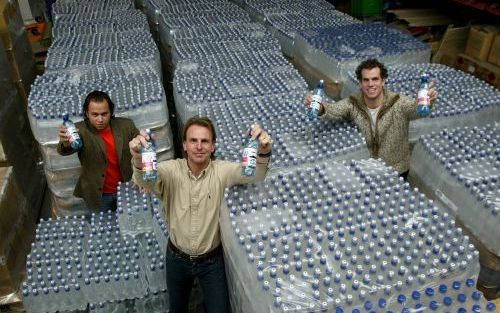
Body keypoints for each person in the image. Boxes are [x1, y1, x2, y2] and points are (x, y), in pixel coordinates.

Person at [129, 116, 273, 313]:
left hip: (211, 262)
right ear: (185, 145)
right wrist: (138, 157)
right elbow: (145, 179)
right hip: (177, 258)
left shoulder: (222, 171)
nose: (199, 146)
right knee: (177, 309)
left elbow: (255, 173)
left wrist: (264, 151)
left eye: (205, 141)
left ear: (213, 146)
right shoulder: (171, 171)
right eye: (193, 141)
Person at [306, 58, 437, 180]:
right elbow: (334, 110)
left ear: (383, 81)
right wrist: (320, 107)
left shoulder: (398, 102)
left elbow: (416, 110)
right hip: (369, 170)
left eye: (375, 79)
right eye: (366, 80)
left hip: (396, 170)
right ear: (360, 83)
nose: (371, 84)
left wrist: (428, 103)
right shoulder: (354, 103)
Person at [57, 90, 139, 211]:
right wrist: (66, 144)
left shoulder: (126, 126)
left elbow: (142, 146)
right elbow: (64, 150)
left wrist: (143, 142)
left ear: (111, 112)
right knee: (103, 227)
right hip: (98, 194)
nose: (100, 119)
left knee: (130, 225)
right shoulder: (79, 130)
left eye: (104, 114)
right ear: (87, 113)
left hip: (127, 190)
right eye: (95, 114)